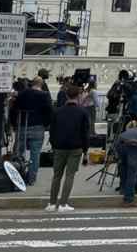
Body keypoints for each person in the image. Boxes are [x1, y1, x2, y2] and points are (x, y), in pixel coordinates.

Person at [47, 84, 90, 212]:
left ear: (66, 95)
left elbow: (52, 130)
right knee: (69, 175)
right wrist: (86, 150)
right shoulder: (82, 112)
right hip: (75, 146)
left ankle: (52, 202)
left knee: (56, 175)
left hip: (59, 146)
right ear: (78, 95)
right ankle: (63, 203)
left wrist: (53, 144)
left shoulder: (57, 111)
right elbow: (85, 133)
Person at [12, 77, 54, 187]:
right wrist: (46, 124)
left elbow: (14, 109)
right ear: (42, 84)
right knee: (35, 155)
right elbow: (49, 111)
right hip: (38, 126)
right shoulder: (44, 95)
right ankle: (31, 178)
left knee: (18, 152)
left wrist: (14, 124)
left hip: (22, 125)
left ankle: (17, 176)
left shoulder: (22, 94)